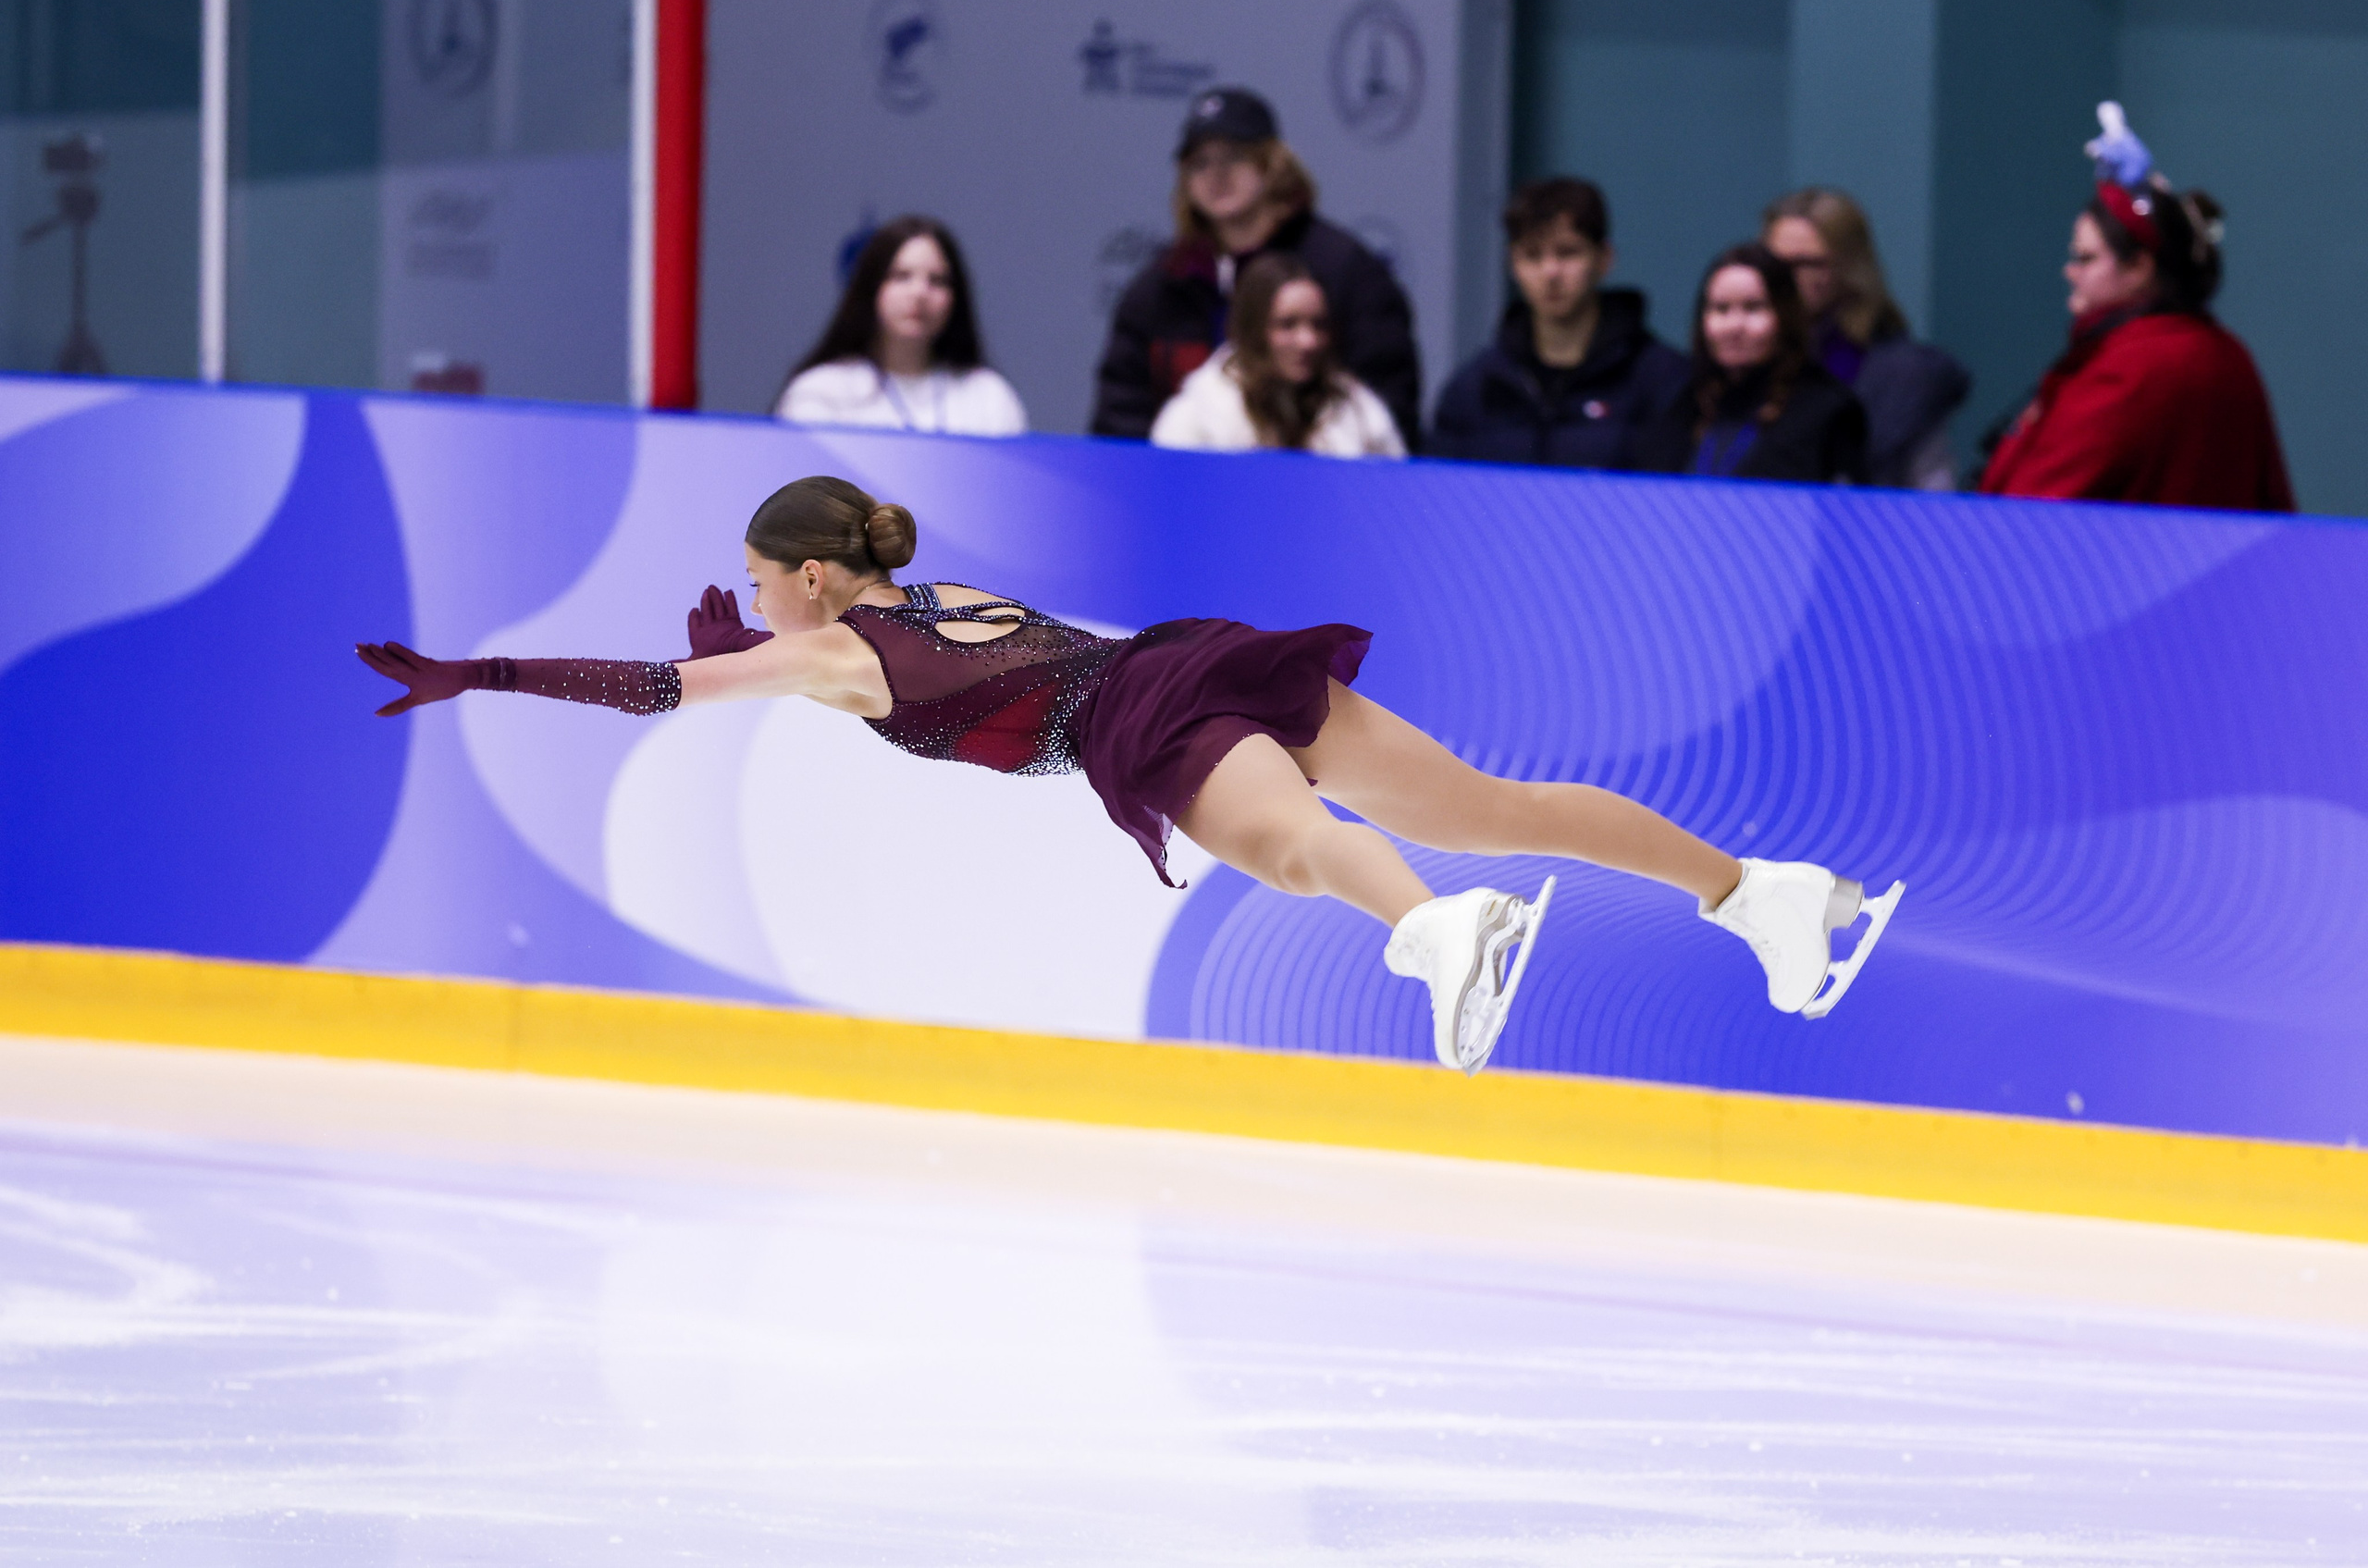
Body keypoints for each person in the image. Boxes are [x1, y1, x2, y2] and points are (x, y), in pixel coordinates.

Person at [356, 477, 1905, 1076]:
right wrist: (752, 616)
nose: (748, 599)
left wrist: (478, 673)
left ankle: (1440, 931)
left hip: (1132, 716)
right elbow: (773, 636)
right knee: (1480, 795)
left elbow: (652, 688)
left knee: (1293, 852)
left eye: (759, 577)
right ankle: (1758, 894)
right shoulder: (908, 592)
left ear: (815, 580)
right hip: (1187, 653)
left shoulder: (825, 648)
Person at [1977, 104, 2293, 512]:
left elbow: (2029, 511)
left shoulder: (2129, 369)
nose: (2070, 272)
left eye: (2086, 258)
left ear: (2140, 267)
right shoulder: (2229, 354)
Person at [1092, 88, 1422, 450]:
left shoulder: (1343, 271)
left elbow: (1387, 405)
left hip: (1323, 488)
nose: (1216, 175)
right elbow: (1120, 420)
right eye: (1200, 163)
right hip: (1185, 490)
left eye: (1234, 157)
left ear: (1273, 164)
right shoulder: (1162, 286)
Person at [1428, 177, 1687, 469]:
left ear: (1604, 259)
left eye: (1567, 252)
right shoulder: (1474, 389)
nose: (1550, 272)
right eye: (1532, 255)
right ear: (1513, 265)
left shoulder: (1660, 380)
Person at [1761, 188, 1968, 489]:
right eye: (1775, 263)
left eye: (1809, 264)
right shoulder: (1743, 360)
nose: (1788, 278)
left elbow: (1932, 496)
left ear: (1848, 267)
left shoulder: (1903, 378)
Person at [1634, 244, 1867, 485]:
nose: (1734, 326)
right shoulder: (1684, 403)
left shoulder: (1828, 410)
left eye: (1753, 308)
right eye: (1721, 309)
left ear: (1786, 316)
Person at [774, 216, 1027, 437]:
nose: (919, 293)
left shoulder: (990, 396)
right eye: (901, 276)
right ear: (870, 288)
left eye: (937, 281)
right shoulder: (820, 392)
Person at [1149, 254, 1405, 458]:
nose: (1308, 342)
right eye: (1287, 325)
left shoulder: (1363, 418)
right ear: (1253, 329)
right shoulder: (1196, 419)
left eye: (1319, 325)